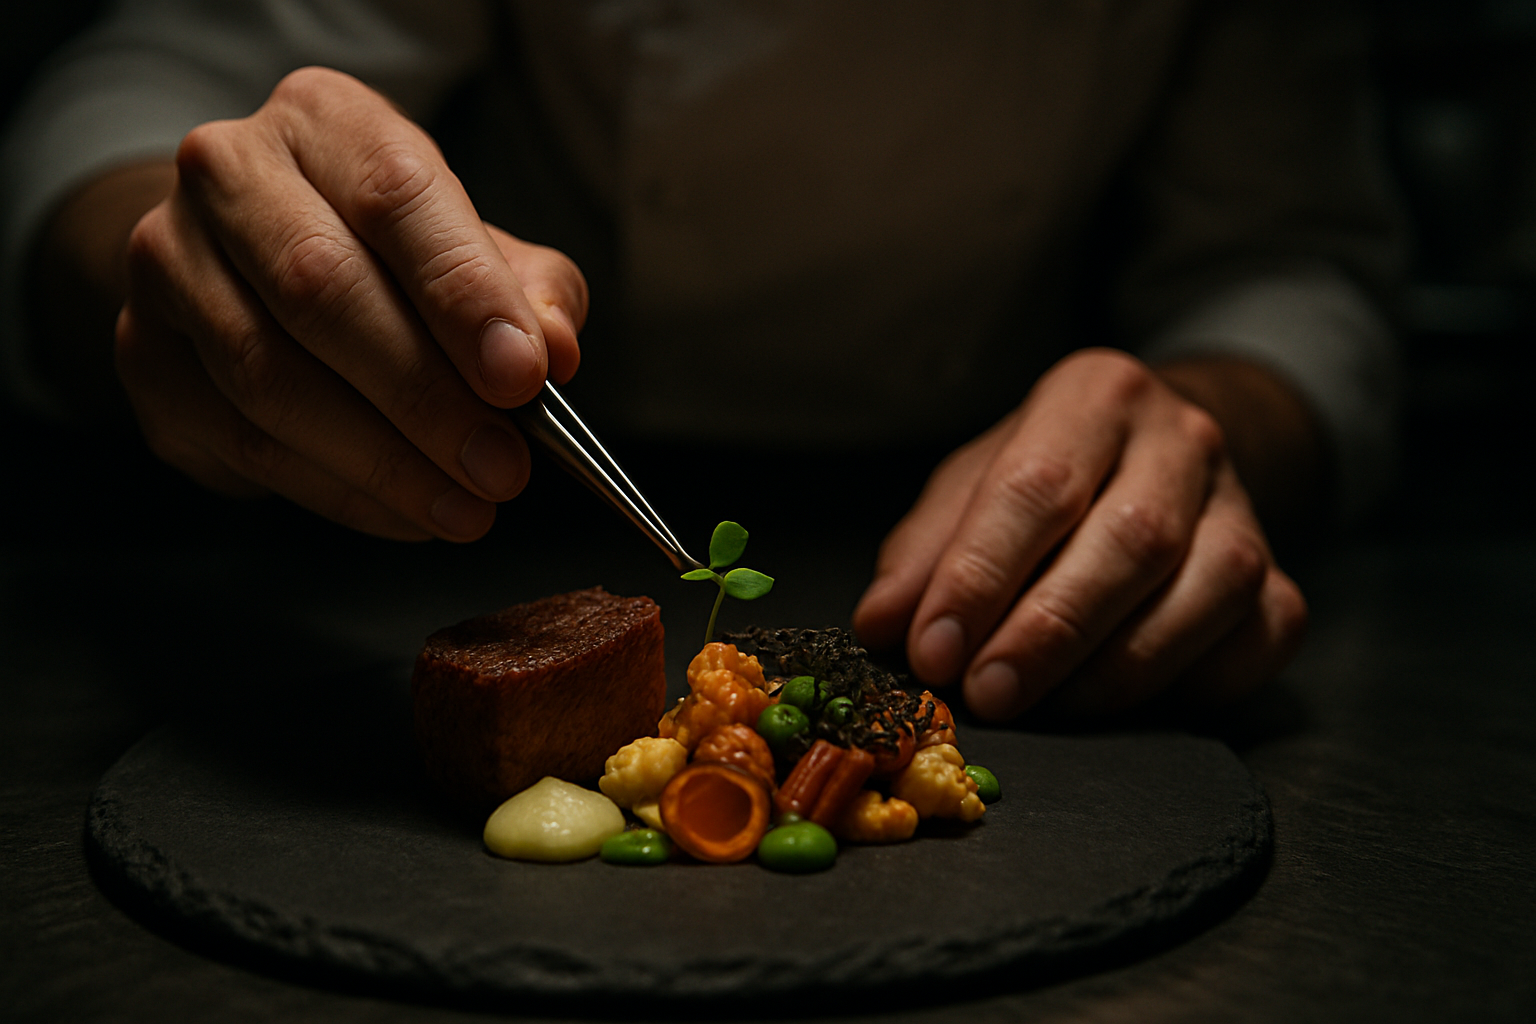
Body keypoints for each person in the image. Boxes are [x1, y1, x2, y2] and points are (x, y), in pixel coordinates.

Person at [0, 0, 1404, 721]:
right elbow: (139, 89)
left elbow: (1294, 261)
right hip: (450, 501)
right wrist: (198, 278)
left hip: (973, 569)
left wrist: (1216, 419)